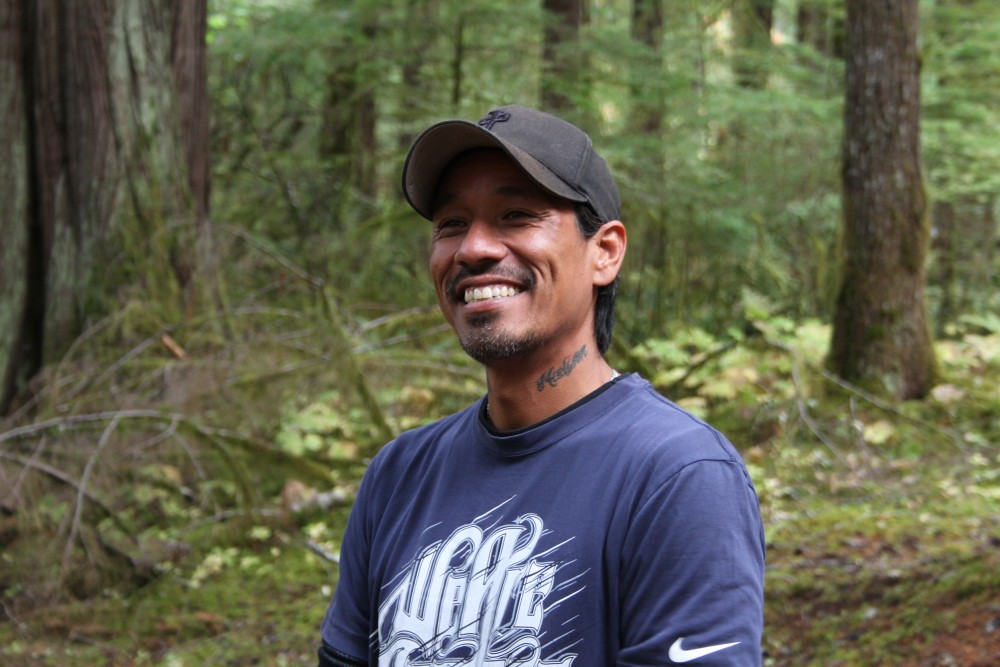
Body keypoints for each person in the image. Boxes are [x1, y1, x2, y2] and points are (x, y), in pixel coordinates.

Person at [317, 104, 765, 666]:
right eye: (451, 224)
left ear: (605, 253)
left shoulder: (678, 476)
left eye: (517, 215)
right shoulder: (399, 474)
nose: (473, 248)